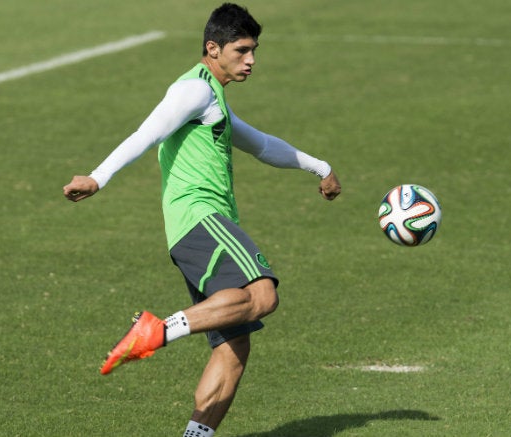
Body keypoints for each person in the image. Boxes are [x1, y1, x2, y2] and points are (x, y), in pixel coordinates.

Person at [62, 3, 341, 436]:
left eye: (254, 50)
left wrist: (319, 168)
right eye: (242, 50)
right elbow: (147, 131)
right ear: (213, 48)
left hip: (196, 228)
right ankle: (158, 329)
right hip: (199, 218)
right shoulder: (193, 91)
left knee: (234, 347)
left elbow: (262, 144)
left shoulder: (213, 97)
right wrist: (98, 178)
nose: (251, 60)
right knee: (263, 294)